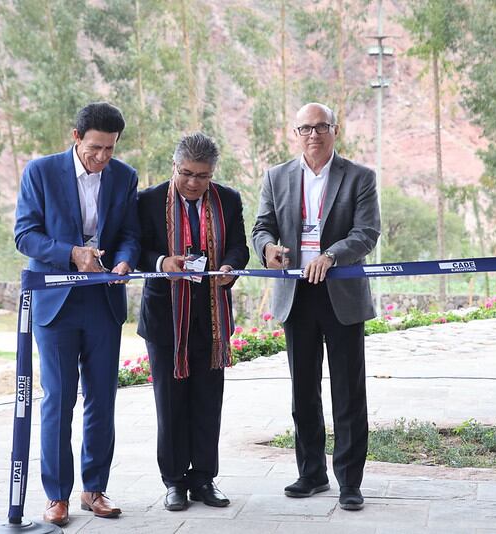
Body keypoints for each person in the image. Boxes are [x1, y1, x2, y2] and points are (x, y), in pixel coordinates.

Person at [14, 102, 140, 526]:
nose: (102, 157)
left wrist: (124, 261)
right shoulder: (41, 172)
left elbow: (130, 234)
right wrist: (72, 254)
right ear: (75, 137)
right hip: (56, 303)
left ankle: (94, 489)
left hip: (104, 301)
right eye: (94, 148)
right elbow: (25, 235)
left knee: (102, 398)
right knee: (59, 399)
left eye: (110, 148)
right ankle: (57, 496)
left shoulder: (124, 176)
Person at [251, 103, 380, 511]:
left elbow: (366, 232)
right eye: (305, 128)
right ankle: (311, 473)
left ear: (335, 130)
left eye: (321, 126)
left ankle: (350, 482)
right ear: (296, 133)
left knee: (348, 392)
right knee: (303, 391)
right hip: (297, 296)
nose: (313, 134)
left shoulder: (359, 177)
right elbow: (261, 228)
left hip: (341, 294)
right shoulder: (276, 177)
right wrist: (268, 249)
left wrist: (332, 255)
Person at [137, 132, 249, 512]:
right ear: (174, 166)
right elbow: (137, 248)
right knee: (170, 405)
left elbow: (239, 246)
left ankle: (203, 478)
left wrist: (230, 267)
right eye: (186, 173)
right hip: (165, 320)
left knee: (207, 403)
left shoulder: (228, 200)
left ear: (212, 173)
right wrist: (161, 262)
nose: (193, 183)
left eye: (202, 176)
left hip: (211, 319)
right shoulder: (149, 200)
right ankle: (174, 482)